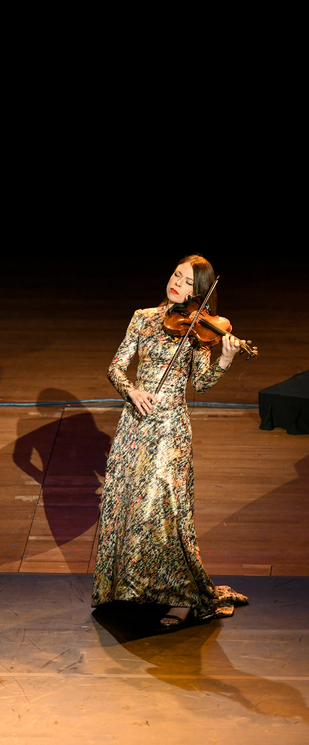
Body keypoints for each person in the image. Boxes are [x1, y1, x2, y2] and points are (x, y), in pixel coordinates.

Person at [91, 254, 248, 629]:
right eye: (176, 274)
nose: (177, 283)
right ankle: (127, 589)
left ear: (200, 292)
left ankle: (179, 596)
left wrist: (224, 360)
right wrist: (131, 391)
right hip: (135, 423)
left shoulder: (201, 330)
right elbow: (116, 366)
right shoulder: (143, 317)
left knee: (162, 511)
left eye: (188, 281)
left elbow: (202, 383)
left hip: (170, 429)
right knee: (124, 505)